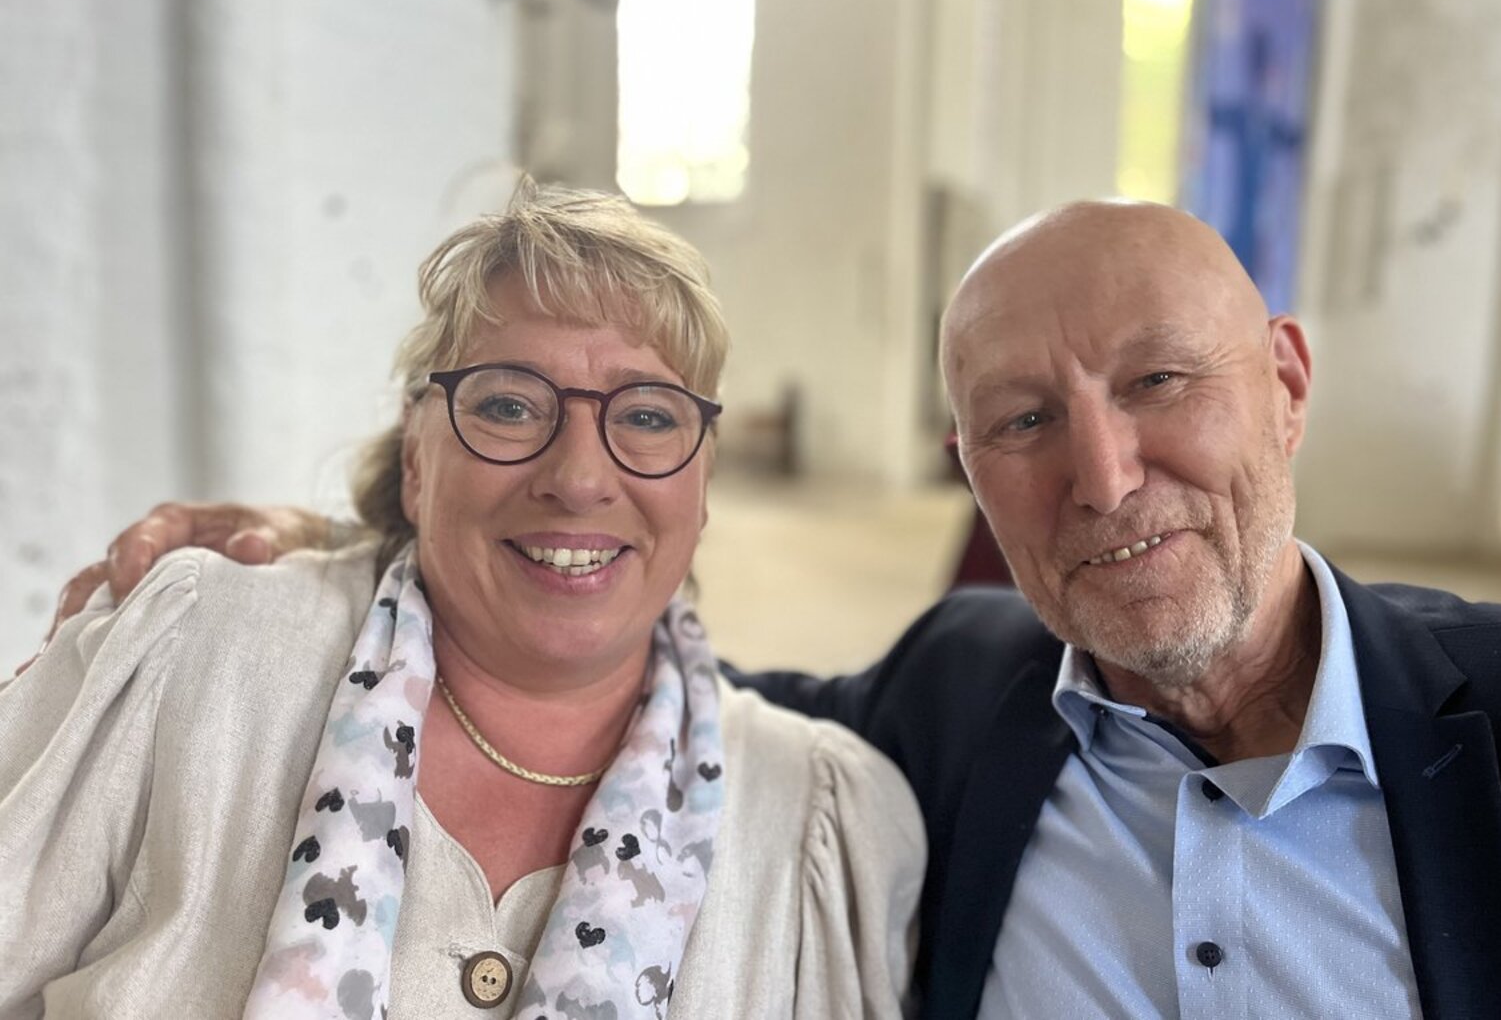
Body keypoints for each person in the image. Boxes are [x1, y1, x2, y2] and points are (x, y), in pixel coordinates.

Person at [38, 201, 1501, 1019]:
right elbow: (591, 640)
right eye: (1025, 419)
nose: (1107, 473)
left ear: (1289, 383)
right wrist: (356, 540)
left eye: (1161, 380)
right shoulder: (944, 705)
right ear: (970, 474)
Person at [0, 183, 923, 1019]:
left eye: (647, 415)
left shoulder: (821, 822)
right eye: (510, 406)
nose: (579, 478)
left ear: (702, 484)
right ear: (416, 457)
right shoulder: (193, 656)